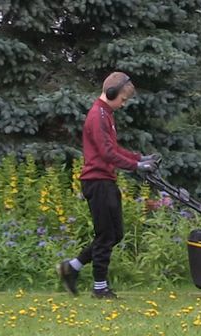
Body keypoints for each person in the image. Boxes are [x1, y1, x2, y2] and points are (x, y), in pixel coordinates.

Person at [57, 71, 159, 299]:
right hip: (97, 181)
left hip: (106, 180)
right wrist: (137, 167)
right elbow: (107, 153)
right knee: (105, 235)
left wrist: (139, 158)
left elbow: (114, 147)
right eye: (122, 99)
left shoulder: (106, 114)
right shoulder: (97, 115)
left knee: (116, 234)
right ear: (111, 93)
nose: (123, 105)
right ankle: (100, 287)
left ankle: (71, 267)